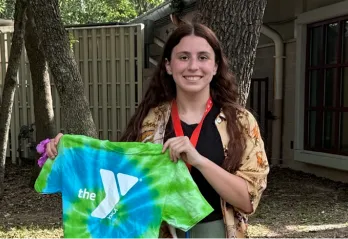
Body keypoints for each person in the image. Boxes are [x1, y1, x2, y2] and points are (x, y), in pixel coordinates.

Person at [45, 21, 269, 239]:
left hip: (218, 232)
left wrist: (199, 160)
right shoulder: (152, 120)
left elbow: (247, 201)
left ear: (215, 66)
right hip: (160, 232)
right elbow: (121, 179)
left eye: (203, 57)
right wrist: (72, 153)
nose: (193, 66)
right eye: (183, 57)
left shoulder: (239, 122)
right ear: (168, 66)